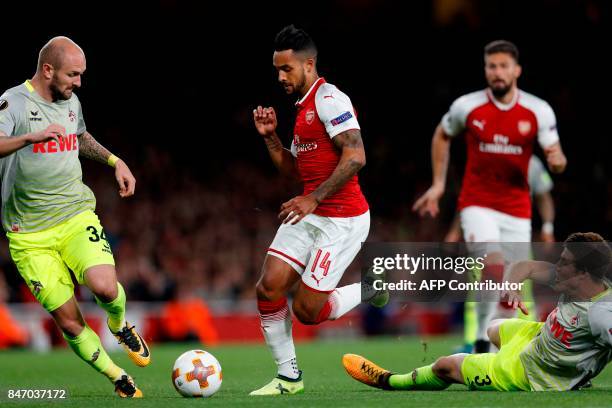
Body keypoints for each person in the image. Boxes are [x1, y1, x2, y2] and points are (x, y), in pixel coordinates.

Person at [0, 36, 148, 398]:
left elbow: (79, 137)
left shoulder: (71, 101)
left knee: (105, 288)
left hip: (74, 215)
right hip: (29, 236)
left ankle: (119, 325)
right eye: (73, 75)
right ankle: (117, 376)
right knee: (68, 320)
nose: (78, 83)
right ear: (48, 70)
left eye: (80, 75)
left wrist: (116, 161)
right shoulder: (13, 102)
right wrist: (30, 137)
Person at [251, 25, 385, 396]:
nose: (280, 77)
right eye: (277, 69)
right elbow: (295, 171)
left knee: (308, 312)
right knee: (268, 288)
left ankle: (375, 287)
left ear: (309, 64)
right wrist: (272, 140)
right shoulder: (302, 108)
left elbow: (356, 155)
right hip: (312, 213)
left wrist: (314, 198)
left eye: (286, 69)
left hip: (343, 220)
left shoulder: (330, 99)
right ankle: (288, 378)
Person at [413, 40, 567, 352]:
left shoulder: (538, 110)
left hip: (517, 210)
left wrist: (557, 161)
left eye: (503, 66)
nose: (497, 72)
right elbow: (442, 135)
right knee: (494, 269)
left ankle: (493, 350)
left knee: (510, 286)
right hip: (477, 204)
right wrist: (439, 184)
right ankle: (482, 341)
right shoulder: (467, 107)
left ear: (517, 70)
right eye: (491, 66)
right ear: (485, 70)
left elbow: (559, 158)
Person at [343, 232, 612, 392]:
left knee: (444, 366)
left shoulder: (601, 314)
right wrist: (512, 285)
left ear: (583, 273)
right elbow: (524, 266)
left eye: (565, 262)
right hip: (538, 338)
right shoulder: (571, 279)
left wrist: (585, 370)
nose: (558, 265)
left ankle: (390, 381)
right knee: (493, 327)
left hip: (530, 373)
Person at [446, 155, 556, 352]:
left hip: (515, 232)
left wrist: (547, 227)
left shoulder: (533, 164)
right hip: (485, 234)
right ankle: (475, 341)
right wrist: (456, 229)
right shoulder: (483, 157)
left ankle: (524, 340)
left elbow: (544, 197)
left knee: (521, 291)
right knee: (480, 289)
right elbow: (468, 199)